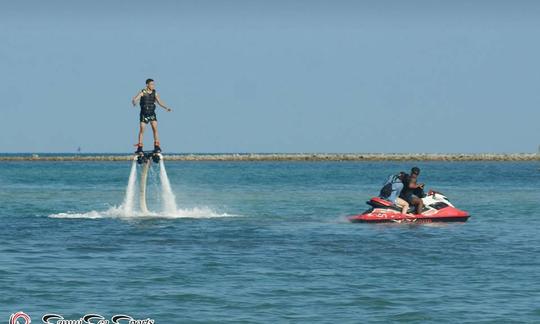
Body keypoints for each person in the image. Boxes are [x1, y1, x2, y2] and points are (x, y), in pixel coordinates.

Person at [131, 78, 173, 154]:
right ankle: (140, 147)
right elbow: (135, 99)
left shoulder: (155, 92)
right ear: (147, 85)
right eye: (151, 84)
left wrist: (166, 107)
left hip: (152, 113)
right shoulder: (142, 92)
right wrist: (134, 102)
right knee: (142, 130)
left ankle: (156, 146)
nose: (153, 86)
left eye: (154, 84)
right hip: (144, 114)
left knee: (155, 129)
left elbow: (159, 101)